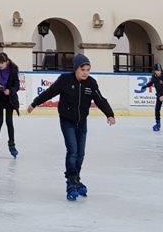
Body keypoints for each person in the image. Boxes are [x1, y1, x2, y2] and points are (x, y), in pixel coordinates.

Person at [26, 54, 115, 201]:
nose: (85, 73)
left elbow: (100, 100)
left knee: (81, 154)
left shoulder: (91, 83)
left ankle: (76, 178)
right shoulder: (65, 80)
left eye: (88, 70)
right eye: (82, 69)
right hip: (67, 122)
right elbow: (49, 93)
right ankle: (71, 181)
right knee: (72, 151)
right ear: (76, 69)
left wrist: (109, 114)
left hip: (82, 123)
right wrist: (34, 103)